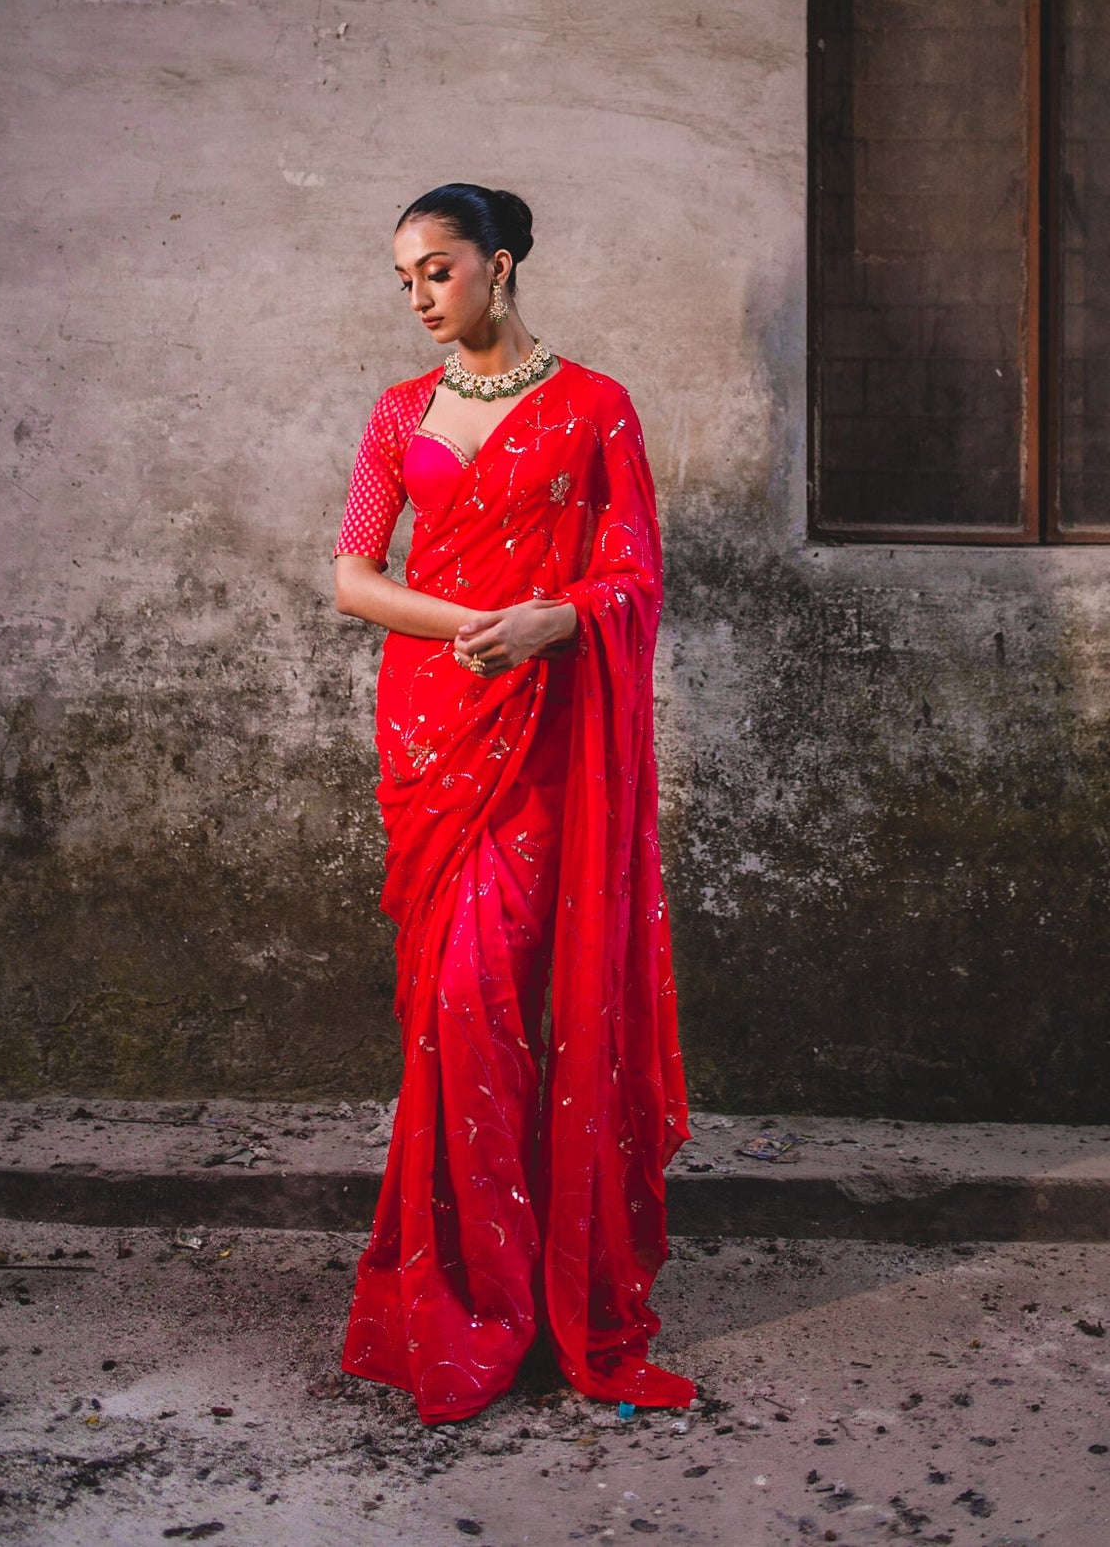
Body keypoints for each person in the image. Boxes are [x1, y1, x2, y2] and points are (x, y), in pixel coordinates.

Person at [331, 182, 695, 1425]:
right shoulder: (396, 415)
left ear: (498, 266)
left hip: (542, 744)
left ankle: (551, 1290)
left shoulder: (594, 410)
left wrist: (564, 621)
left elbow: (633, 571)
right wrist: (482, 627)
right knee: (452, 1013)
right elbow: (350, 576)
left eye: (436, 271)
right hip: (434, 731)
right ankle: (464, 1303)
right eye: (405, 281)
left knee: (504, 1002)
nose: (421, 298)